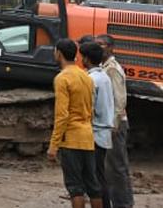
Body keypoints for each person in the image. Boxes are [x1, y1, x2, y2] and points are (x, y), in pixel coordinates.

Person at [48, 38, 103, 208]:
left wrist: (54, 145)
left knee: (75, 188)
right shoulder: (86, 77)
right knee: (93, 186)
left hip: (71, 139)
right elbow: (91, 108)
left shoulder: (62, 78)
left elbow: (62, 115)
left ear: (59, 53)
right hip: (87, 138)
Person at [96, 34, 134, 208]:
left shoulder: (112, 69)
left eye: (101, 45)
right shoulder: (104, 67)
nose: (98, 48)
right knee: (110, 168)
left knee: (117, 168)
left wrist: (114, 125)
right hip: (111, 124)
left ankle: (123, 204)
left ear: (111, 48)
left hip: (115, 125)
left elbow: (119, 100)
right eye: (96, 44)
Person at [82, 41, 115, 204]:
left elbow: (90, 108)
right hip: (103, 133)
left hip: (95, 133)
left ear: (86, 59)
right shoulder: (104, 77)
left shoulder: (92, 79)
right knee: (99, 175)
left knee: (95, 179)